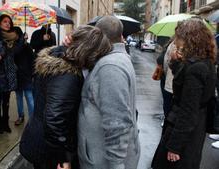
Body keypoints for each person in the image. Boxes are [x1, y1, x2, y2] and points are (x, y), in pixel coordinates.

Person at [19, 25, 112, 169]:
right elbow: (55, 120)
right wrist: (63, 159)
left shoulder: (57, 55)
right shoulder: (67, 75)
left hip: (40, 139)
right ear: (89, 50)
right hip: (49, 152)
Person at [151, 18, 217, 169]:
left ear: (190, 39)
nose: (176, 42)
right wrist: (176, 63)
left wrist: (175, 146)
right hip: (193, 127)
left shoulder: (196, 68)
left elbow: (188, 110)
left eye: (179, 38)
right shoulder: (204, 62)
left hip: (185, 132)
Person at [77, 15, 140, 169]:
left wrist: (116, 164)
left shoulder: (110, 66)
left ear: (98, 36)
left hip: (104, 162)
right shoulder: (114, 59)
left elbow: (117, 122)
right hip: (101, 158)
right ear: (121, 37)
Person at [0, 14, 20, 134]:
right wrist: (4, 49)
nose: (7, 24)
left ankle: (5, 122)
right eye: (4, 21)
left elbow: (16, 54)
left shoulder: (13, 39)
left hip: (9, 74)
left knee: (7, 101)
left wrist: (22, 41)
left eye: (9, 22)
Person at [13, 27, 35, 125]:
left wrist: (32, 74)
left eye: (15, 34)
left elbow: (33, 60)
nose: (13, 36)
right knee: (18, 97)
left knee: (29, 97)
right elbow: (15, 53)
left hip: (26, 76)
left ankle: (33, 119)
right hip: (17, 76)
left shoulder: (27, 46)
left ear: (19, 34)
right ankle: (21, 116)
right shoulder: (13, 45)